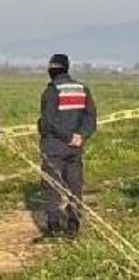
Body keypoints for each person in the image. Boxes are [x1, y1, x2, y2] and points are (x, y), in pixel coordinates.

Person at [35, 53, 97, 241]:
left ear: (51, 70)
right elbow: (90, 118)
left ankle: (53, 226)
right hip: (75, 147)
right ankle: (73, 224)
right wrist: (80, 136)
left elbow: (48, 122)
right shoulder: (82, 89)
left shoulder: (52, 90)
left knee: (52, 186)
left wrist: (67, 136)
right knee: (74, 185)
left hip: (54, 145)